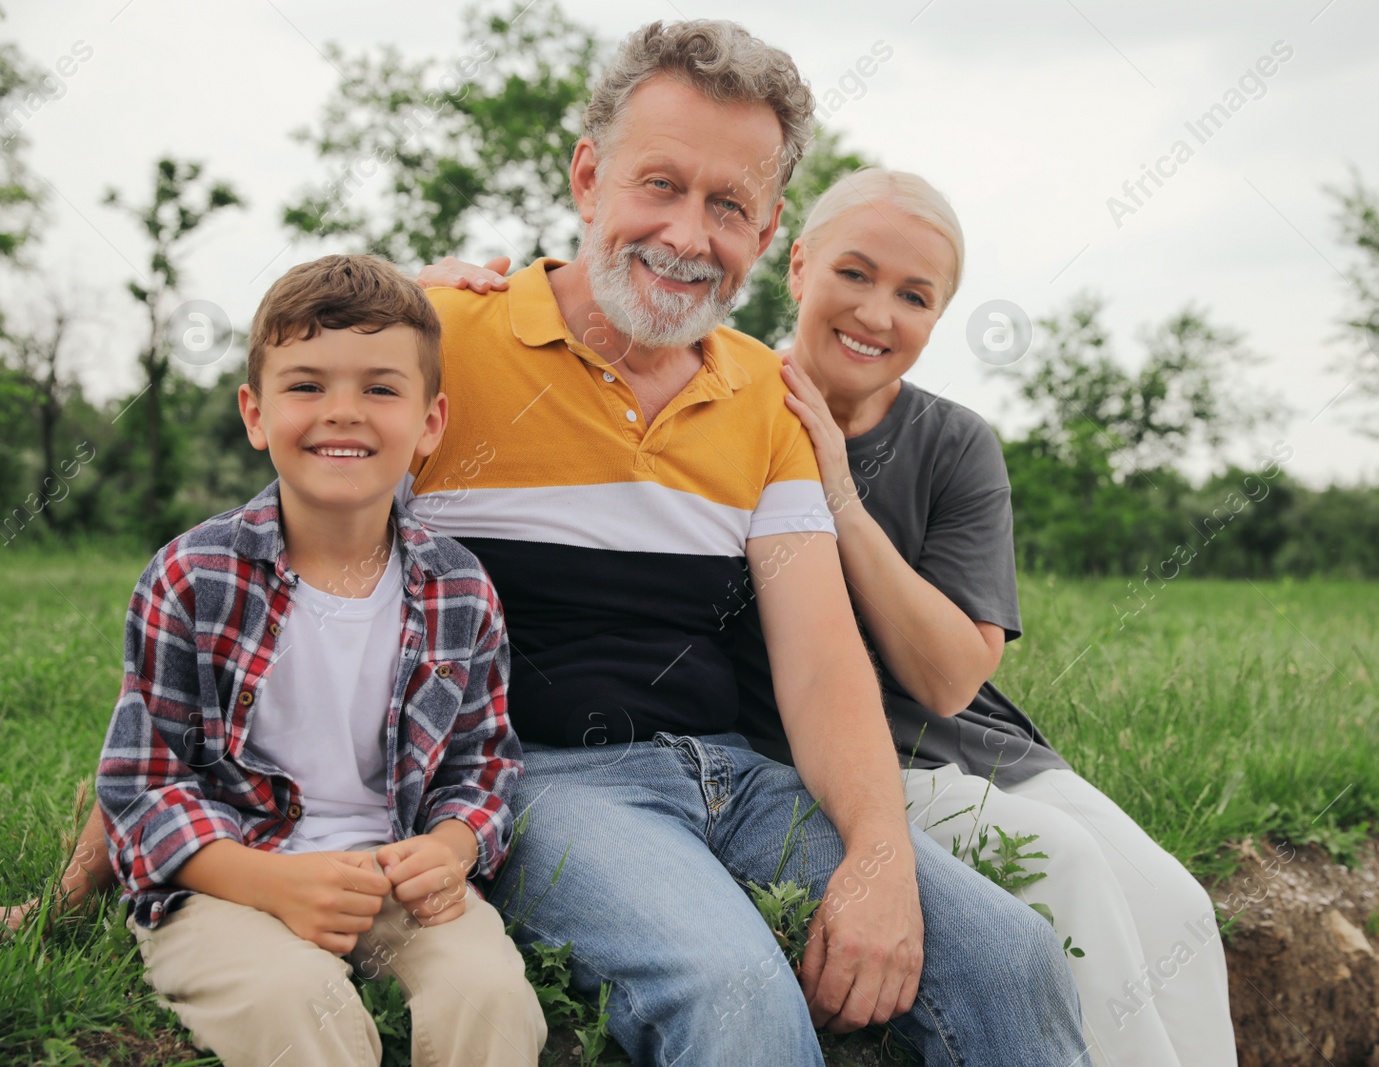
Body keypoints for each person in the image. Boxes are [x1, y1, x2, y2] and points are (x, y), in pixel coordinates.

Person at [438, 166, 1241, 1065]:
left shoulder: (942, 438)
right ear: (799, 265)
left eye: (914, 295)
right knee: (1068, 870)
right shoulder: (746, 391)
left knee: (1171, 910)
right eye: (854, 275)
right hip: (823, 758)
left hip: (963, 740)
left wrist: (840, 500)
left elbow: (948, 679)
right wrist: (430, 301)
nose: (875, 312)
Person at [408, 18, 1087, 1067]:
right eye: (659, 185)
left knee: (1012, 957)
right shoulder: (444, 336)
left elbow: (821, 663)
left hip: (734, 773)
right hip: (545, 780)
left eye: (728, 204)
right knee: (735, 993)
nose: (688, 234)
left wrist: (876, 856)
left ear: (767, 231)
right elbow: (286, 507)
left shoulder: (759, 394)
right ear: (589, 177)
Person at [93, 254, 545, 1067]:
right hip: (227, 876)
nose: (343, 412)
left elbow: (484, 764)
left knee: (491, 995)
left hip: (393, 873)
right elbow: (141, 783)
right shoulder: (194, 577)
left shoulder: (460, 589)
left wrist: (450, 848)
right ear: (255, 412)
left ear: (430, 422)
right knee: (296, 1004)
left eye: (380, 388)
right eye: (305, 386)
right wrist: (269, 883)